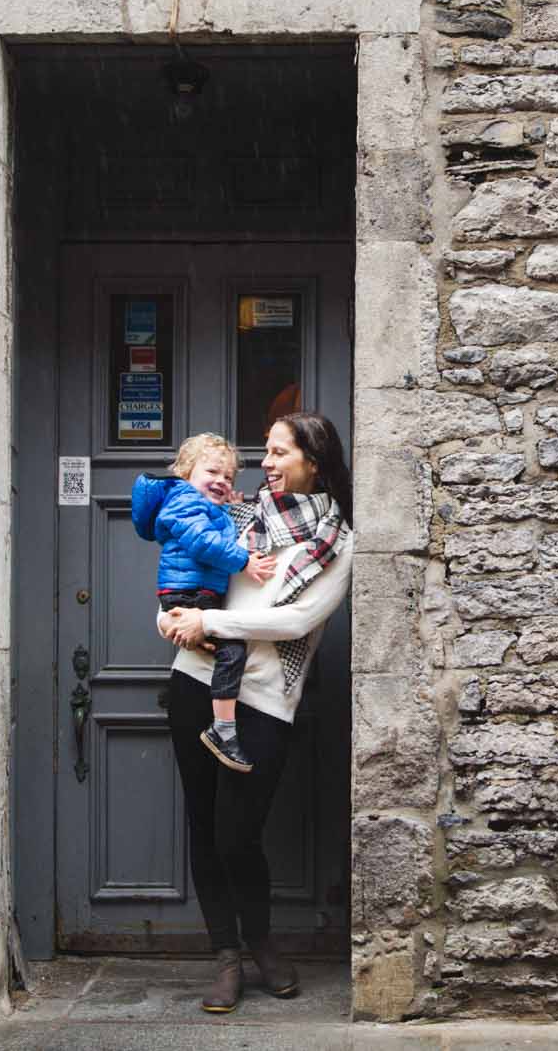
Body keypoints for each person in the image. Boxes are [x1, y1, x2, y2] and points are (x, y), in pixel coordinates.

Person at [157, 412, 354, 1014]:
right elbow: (181, 576)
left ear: (313, 462)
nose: (265, 463)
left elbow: (295, 620)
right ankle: (227, 957)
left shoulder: (339, 541)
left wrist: (209, 622)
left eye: (278, 453)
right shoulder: (240, 515)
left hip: (266, 701)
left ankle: (261, 942)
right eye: (265, 452)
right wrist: (168, 618)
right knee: (203, 826)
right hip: (195, 684)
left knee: (238, 833)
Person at [131, 433, 278, 772]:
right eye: (212, 472)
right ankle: (223, 730)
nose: (221, 481)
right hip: (188, 592)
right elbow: (202, 542)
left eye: (228, 477)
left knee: (220, 646)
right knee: (232, 651)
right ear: (185, 473)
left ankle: (220, 724)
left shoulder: (203, 506)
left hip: (195, 594)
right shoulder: (184, 501)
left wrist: (228, 508)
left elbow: (211, 528)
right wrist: (244, 561)